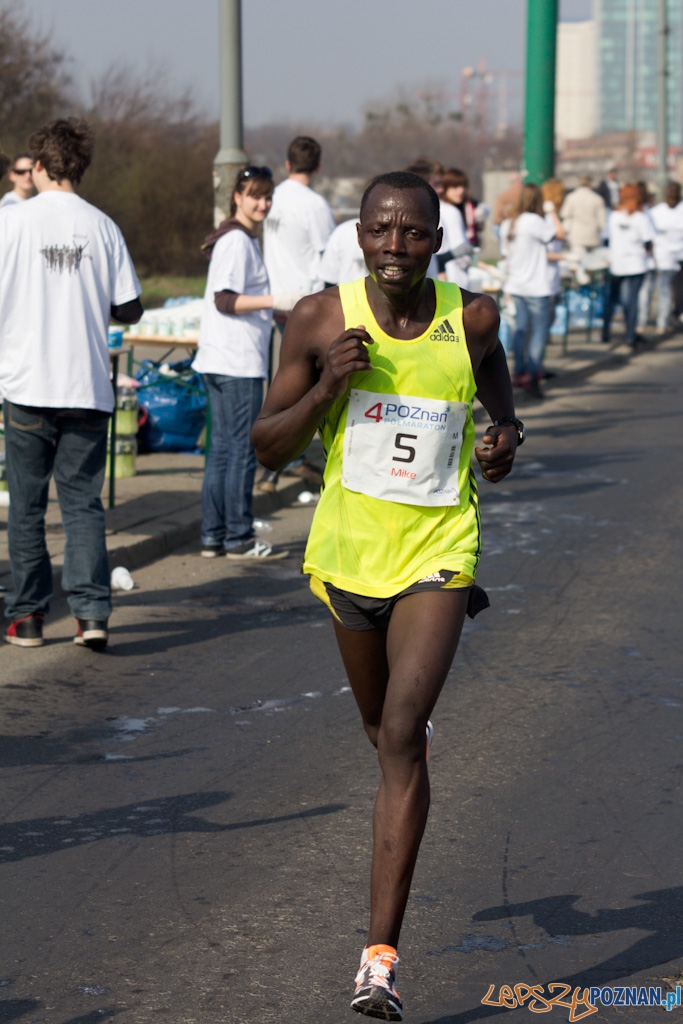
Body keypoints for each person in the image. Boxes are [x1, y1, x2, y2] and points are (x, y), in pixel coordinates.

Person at [252, 171, 523, 1021]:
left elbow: (499, 397)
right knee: (381, 731)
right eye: (379, 231)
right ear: (357, 236)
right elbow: (264, 446)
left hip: (439, 549)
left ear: (435, 241)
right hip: (347, 558)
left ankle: (379, 959)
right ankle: (404, 751)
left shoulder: (471, 316)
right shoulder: (319, 320)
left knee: (402, 732)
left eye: (412, 233)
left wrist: (503, 438)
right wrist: (327, 388)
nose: (394, 247)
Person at [0, 118, 142, 650]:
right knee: (83, 504)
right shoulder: (102, 226)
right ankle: (91, 615)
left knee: (28, 507)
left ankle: (29, 617)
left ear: (37, 166)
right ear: (80, 168)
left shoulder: (10, 223)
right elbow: (130, 306)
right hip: (85, 384)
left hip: (27, 382)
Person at [192, 166, 297, 560]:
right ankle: (237, 537)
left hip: (222, 359)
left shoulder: (236, 238)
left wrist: (284, 313)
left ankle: (213, 536)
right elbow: (225, 299)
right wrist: (276, 301)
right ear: (237, 195)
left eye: (267, 197)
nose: (262, 204)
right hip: (236, 362)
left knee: (221, 450)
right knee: (238, 450)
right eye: (254, 195)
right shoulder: (236, 241)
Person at [500, 182, 564, 398]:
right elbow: (557, 234)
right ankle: (533, 372)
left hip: (516, 284)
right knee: (538, 331)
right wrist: (551, 211)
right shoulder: (535, 221)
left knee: (521, 328)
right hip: (537, 285)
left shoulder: (509, 223)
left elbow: (505, 252)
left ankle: (518, 371)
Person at [601, 183, 654, 348]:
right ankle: (630, 335)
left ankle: (605, 332)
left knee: (613, 298)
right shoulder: (641, 217)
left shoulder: (614, 216)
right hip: (636, 264)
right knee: (632, 301)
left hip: (618, 263)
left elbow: (606, 238)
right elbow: (648, 241)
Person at [648, 181, 683, 334]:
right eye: (671, 191)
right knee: (664, 289)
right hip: (663, 258)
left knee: (676, 289)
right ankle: (663, 320)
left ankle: (672, 316)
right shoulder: (656, 212)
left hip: (680, 256)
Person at [559, 173, 606, 253]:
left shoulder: (571, 197)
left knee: (578, 261)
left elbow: (564, 214)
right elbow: (602, 222)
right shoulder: (597, 198)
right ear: (590, 183)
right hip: (593, 235)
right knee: (593, 263)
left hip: (577, 235)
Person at [321, 217, 368, 287]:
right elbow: (329, 278)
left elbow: (329, 278)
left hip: (344, 292)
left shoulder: (342, 230)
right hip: (345, 293)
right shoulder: (342, 230)